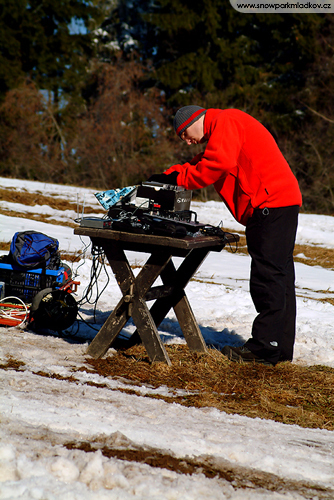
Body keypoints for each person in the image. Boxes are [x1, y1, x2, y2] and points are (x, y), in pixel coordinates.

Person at [148, 105, 302, 366]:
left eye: (185, 133)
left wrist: (180, 181)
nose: (186, 140)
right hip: (281, 202)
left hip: (270, 204)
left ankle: (264, 349)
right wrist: (170, 176)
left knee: (268, 278)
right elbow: (202, 161)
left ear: (196, 119)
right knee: (280, 276)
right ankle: (279, 348)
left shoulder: (225, 121)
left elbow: (216, 164)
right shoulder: (226, 127)